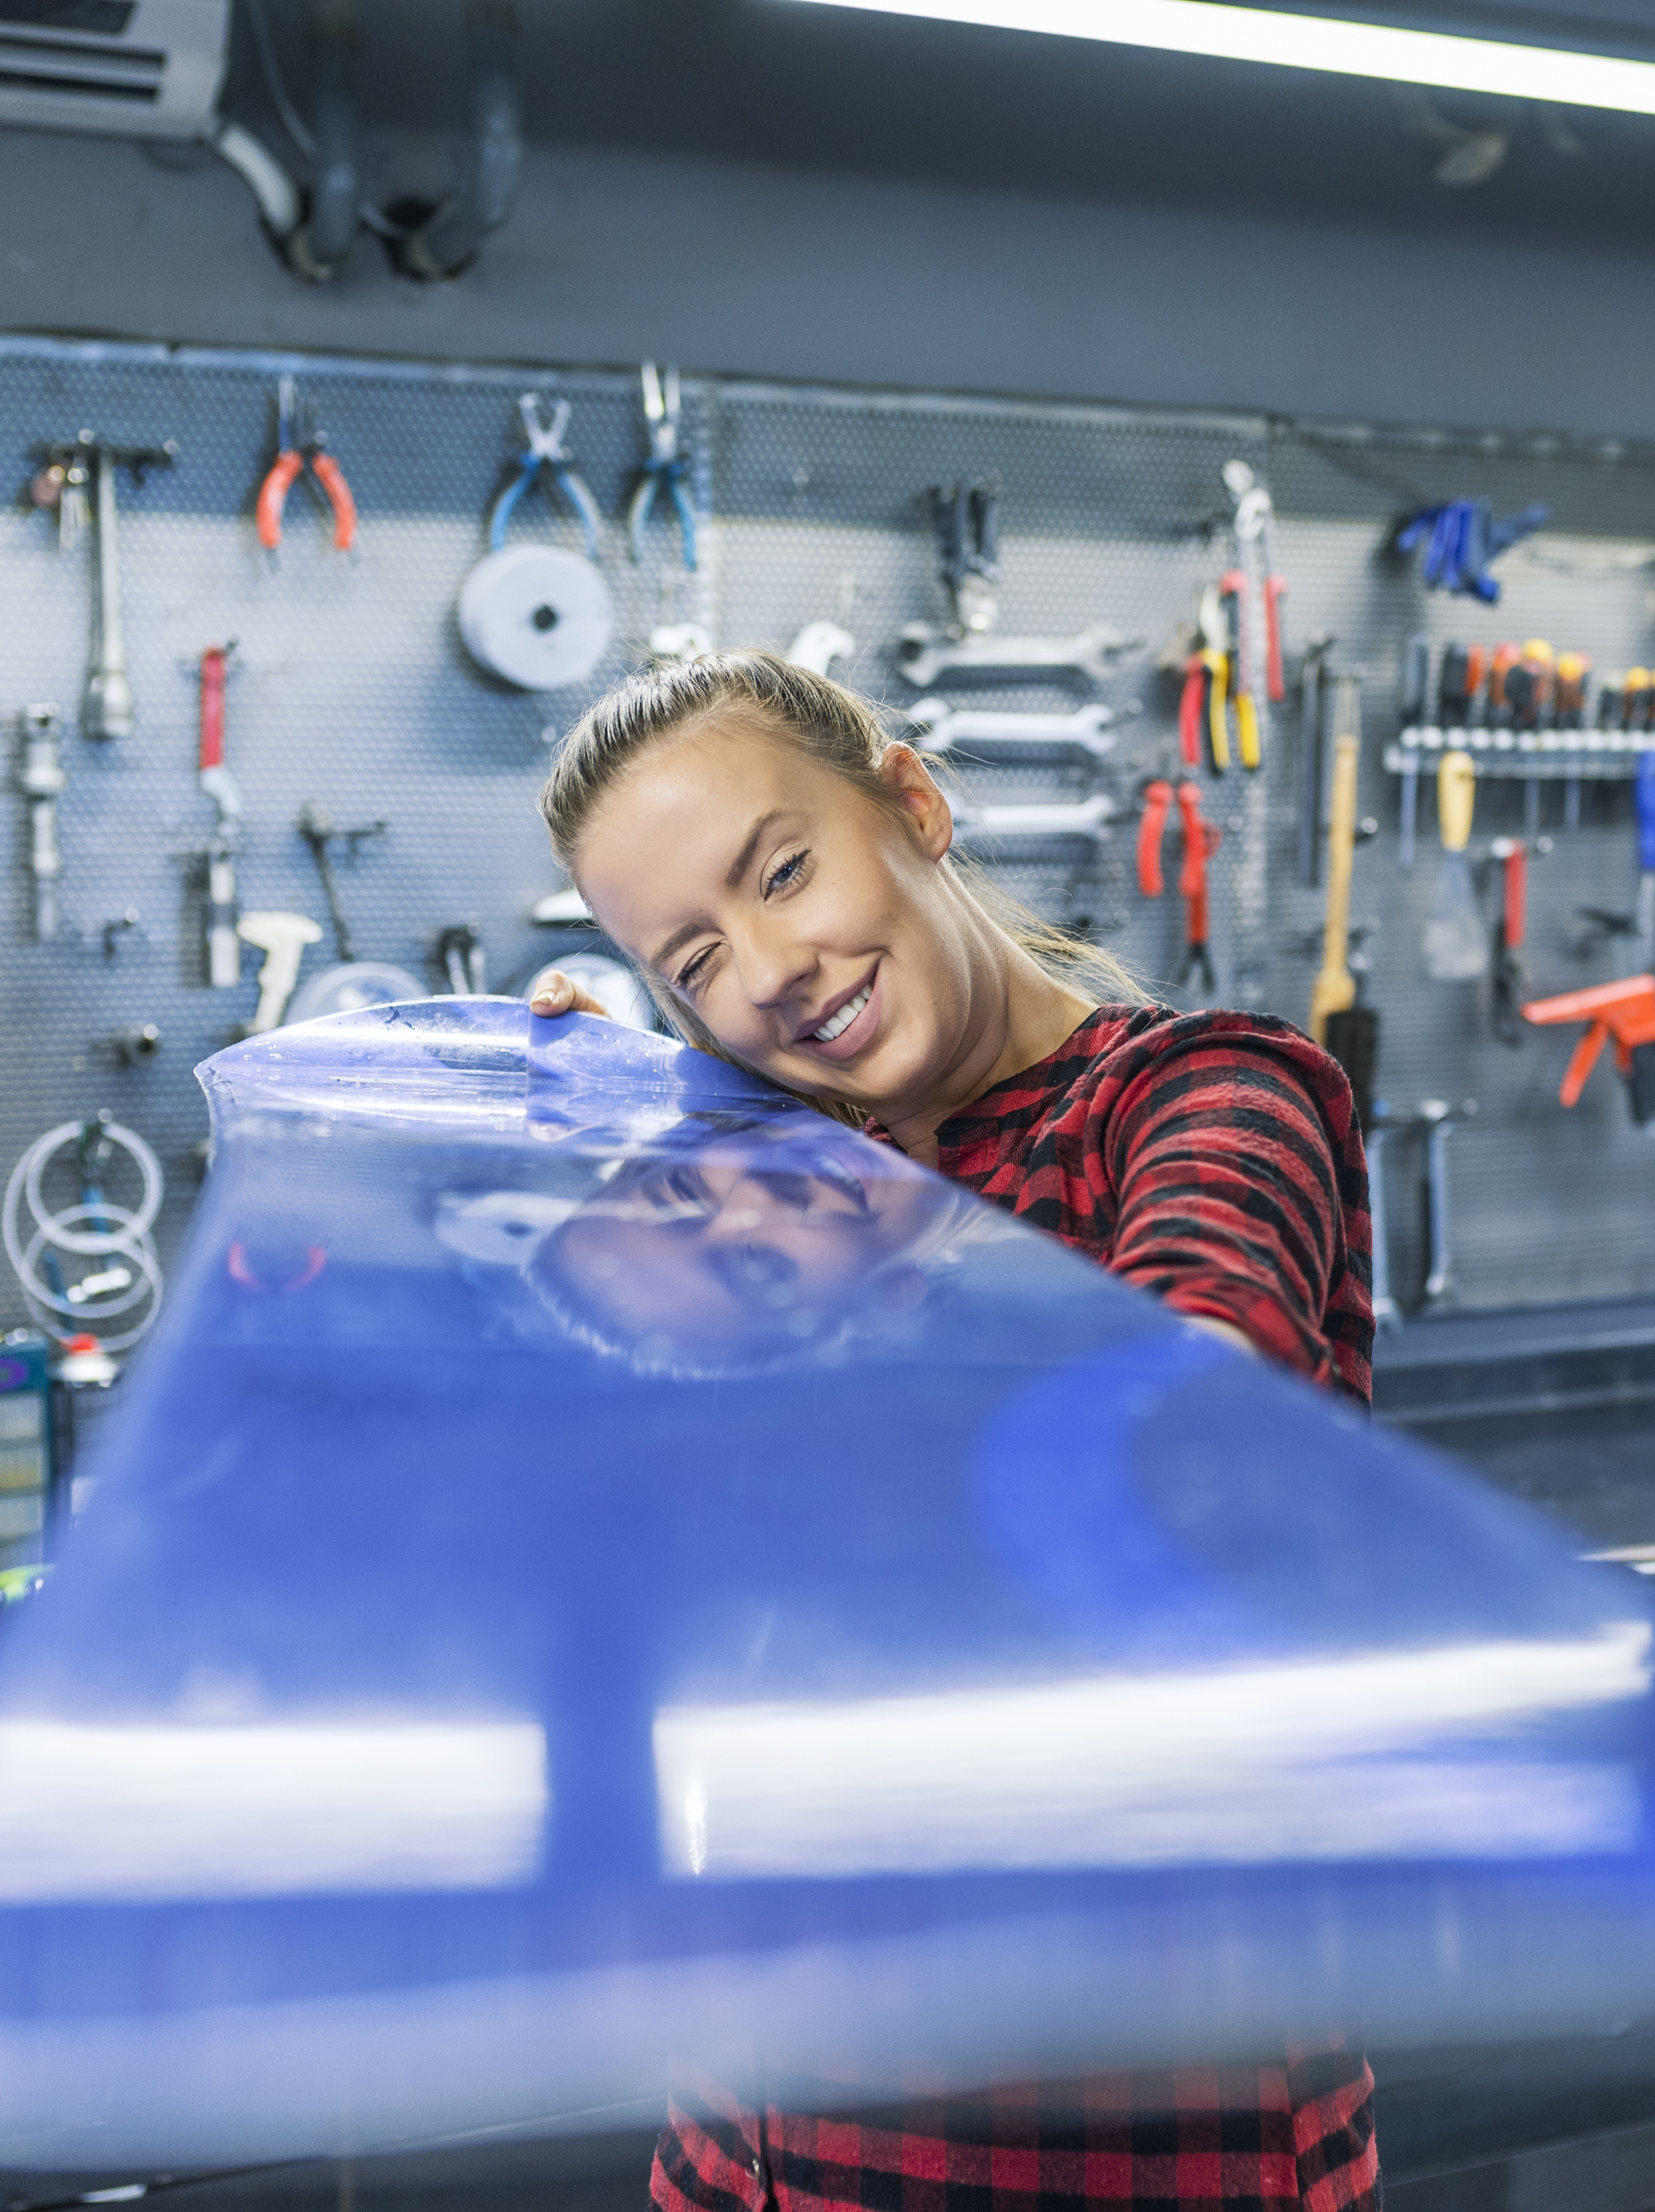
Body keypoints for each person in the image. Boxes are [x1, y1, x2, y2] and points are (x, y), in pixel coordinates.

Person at [529, 650, 1381, 2212]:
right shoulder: (776, 1174)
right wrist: (620, 1178)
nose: (770, 969)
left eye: (782, 870)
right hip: (754, 2132)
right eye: (694, 962)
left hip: (1122, 2147)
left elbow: (1171, 1420)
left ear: (911, 803)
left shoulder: (1200, 1098)